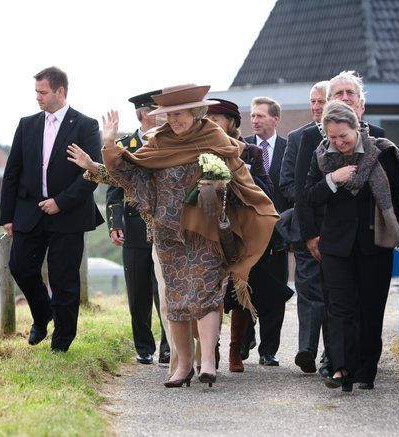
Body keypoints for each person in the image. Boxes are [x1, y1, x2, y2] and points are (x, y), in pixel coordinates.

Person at [67, 83, 277, 387]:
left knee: (205, 296)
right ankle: (183, 367)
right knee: (176, 302)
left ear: (195, 112)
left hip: (204, 231)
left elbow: (238, 176)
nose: (174, 120)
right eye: (168, 115)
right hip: (167, 232)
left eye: (179, 114)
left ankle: (208, 362)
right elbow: (131, 173)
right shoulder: (157, 141)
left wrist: (217, 185)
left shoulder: (214, 137)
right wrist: (109, 146)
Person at [302, 101, 399, 392]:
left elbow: (398, 193)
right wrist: (331, 179)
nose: (339, 143)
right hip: (336, 246)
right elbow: (308, 197)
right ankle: (341, 369)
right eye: (333, 137)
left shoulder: (382, 152)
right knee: (339, 308)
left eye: (344, 136)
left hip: (374, 244)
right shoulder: (322, 157)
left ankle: (365, 370)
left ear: (356, 127)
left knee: (370, 308)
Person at [0, 66, 104, 353]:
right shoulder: (27, 124)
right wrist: (7, 216)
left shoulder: (86, 125)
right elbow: (13, 172)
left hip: (69, 214)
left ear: (61, 91)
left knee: (64, 280)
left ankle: (61, 344)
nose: (38, 98)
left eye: (43, 92)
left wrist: (61, 202)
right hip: (29, 211)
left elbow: (93, 174)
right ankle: (43, 314)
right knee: (20, 266)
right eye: (36, 92)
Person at [293, 70, 385, 376]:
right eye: (338, 94)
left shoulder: (380, 139)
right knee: (334, 300)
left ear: (361, 103)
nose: (345, 98)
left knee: (362, 300)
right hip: (325, 235)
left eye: (351, 94)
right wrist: (309, 236)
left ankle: (359, 361)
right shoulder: (308, 138)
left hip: (366, 235)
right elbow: (301, 193)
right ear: (328, 101)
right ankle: (333, 360)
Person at [206, 98, 286, 373]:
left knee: (239, 290)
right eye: (208, 118)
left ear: (230, 123)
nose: (212, 123)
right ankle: (210, 349)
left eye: (217, 119)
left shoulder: (249, 151)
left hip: (241, 232)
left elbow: (269, 192)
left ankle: (235, 350)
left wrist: (239, 179)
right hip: (207, 230)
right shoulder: (200, 150)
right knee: (210, 293)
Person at [108, 90, 170, 365]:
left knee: (166, 291)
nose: (165, 116)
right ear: (146, 113)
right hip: (133, 229)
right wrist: (114, 224)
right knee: (138, 292)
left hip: (164, 228)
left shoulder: (169, 143)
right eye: (160, 111)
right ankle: (144, 347)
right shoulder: (124, 145)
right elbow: (114, 188)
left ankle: (169, 346)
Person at [278, 81, 332, 374]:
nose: (315, 106)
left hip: (337, 228)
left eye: (321, 101)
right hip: (305, 228)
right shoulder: (298, 138)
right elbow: (287, 182)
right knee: (309, 290)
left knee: (333, 292)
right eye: (312, 101)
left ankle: (330, 354)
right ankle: (307, 350)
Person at [243, 97, 293, 367]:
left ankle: (269, 349)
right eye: (253, 116)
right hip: (248, 233)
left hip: (278, 234)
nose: (255, 120)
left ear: (275, 119)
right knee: (245, 288)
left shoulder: (288, 148)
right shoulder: (242, 147)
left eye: (261, 115)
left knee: (274, 293)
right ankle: (245, 339)